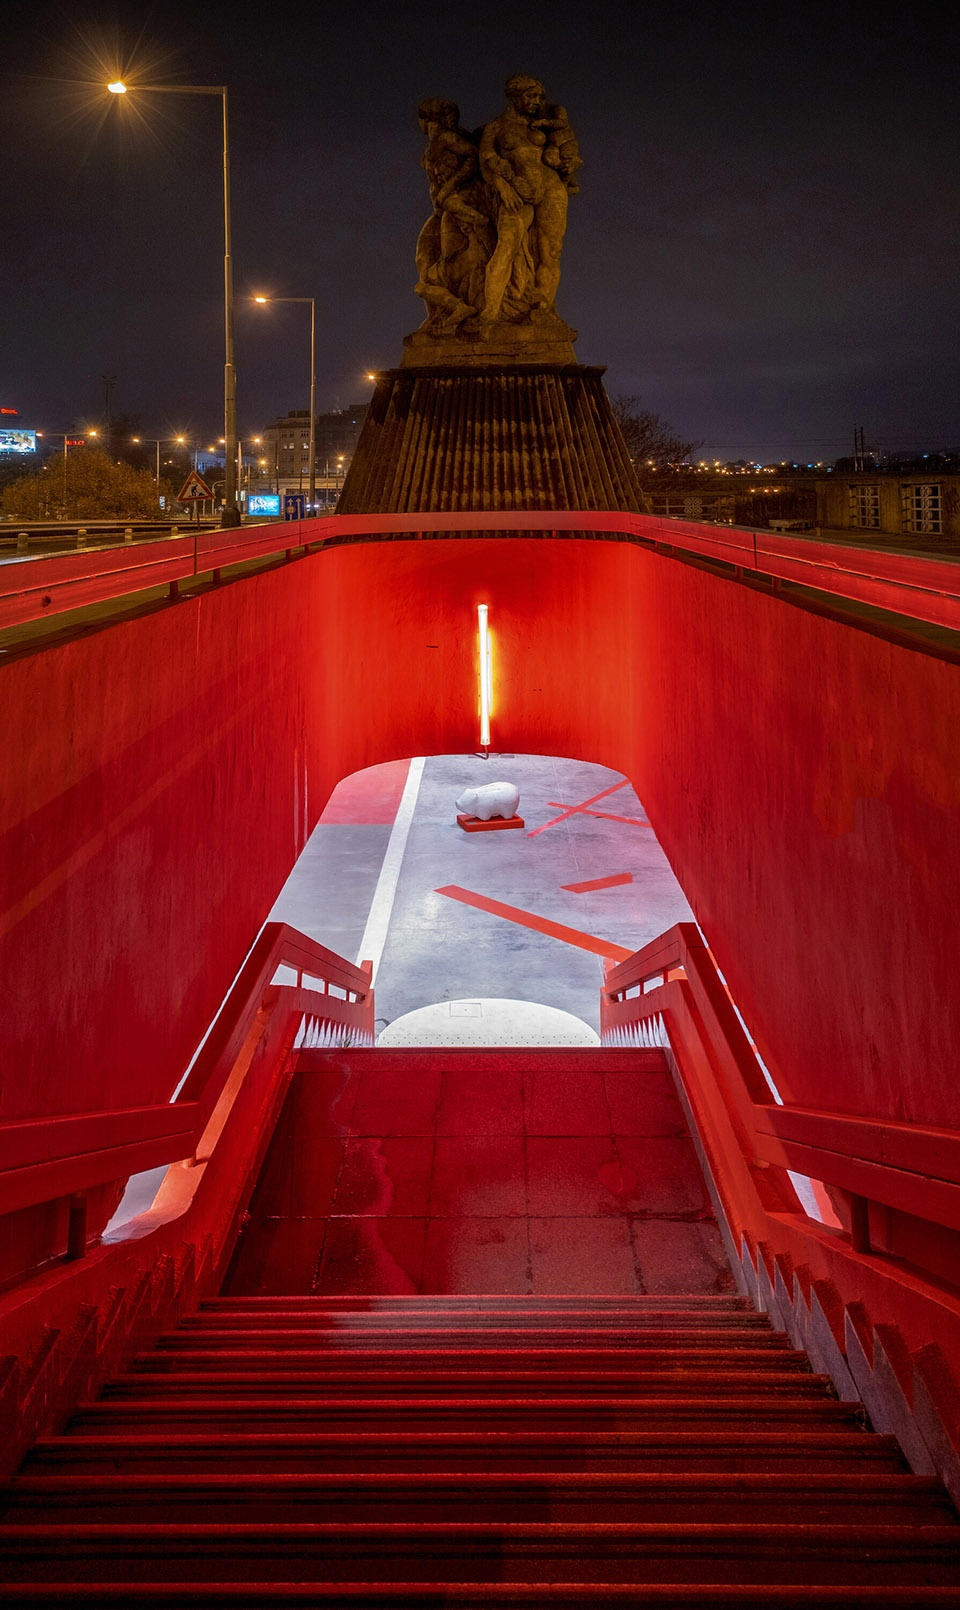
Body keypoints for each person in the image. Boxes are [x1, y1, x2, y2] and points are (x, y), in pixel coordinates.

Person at [478, 75, 575, 326]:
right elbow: (485, 162)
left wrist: (567, 163)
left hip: (550, 188)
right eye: (531, 96)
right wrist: (503, 188)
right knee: (507, 246)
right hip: (517, 192)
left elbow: (564, 150)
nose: (537, 101)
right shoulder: (497, 127)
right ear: (514, 97)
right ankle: (490, 311)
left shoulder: (543, 126)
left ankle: (543, 307)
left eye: (540, 97)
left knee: (551, 251)